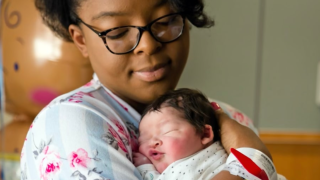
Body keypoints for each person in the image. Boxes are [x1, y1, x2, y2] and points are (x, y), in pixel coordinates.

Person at [20, 0, 276, 179]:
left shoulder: (232, 117)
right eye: (118, 31)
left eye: (166, 20)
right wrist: (250, 164)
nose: (148, 45)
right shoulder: (71, 123)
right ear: (81, 40)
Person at [133, 88, 228, 180]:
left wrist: (145, 168)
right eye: (144, 139)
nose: (153, 142)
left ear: (204, 134)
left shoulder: (184, 170)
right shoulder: (230, 155)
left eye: (167, 131)